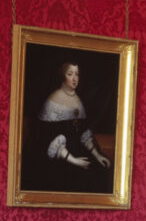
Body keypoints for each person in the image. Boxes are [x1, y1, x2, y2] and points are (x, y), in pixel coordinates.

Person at [31, 60, 113, 192]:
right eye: (70, 74)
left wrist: (97, 155)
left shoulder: (77, 100)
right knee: (74, 180)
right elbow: (47, 138)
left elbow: (82, 133)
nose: (75, 79)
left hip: (76, 150)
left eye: (77, 74)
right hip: (58, 158)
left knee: (102, 172)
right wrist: (73, 160)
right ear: (63, 76)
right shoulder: (53, 100)